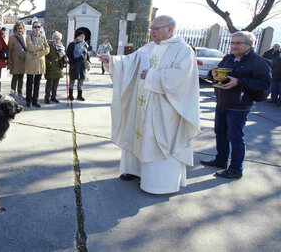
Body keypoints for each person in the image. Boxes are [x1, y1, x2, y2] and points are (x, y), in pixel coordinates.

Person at [101, 15, 200, 194]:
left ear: (170, 29)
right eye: (151, 29)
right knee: (137, 133)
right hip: (141, 103)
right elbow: (130, 62)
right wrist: (112, 61)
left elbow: (183, 78)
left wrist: (154, 76)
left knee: (156, 140)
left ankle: (157, 183)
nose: (152, 32)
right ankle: (134, 170)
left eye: (156, 28)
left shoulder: (183, 50)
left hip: (165, 108)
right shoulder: (149, 47)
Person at [201, 31, 271, 179]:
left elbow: (265, 83)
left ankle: (235, 169)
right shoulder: (228, 58)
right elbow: (214, 73)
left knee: (235, 137)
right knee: (220, 133)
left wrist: (239, 82)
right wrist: (212, 74)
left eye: (238, 43)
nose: (233, 46)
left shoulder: (258, 62)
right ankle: (221, 160)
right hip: (222, 102)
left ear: (249, 45)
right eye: (232, 43)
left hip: (239, 105)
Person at [24, 21, 50, 108]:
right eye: (35, 27)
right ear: (32, 28)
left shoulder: (43, 38)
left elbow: (47, 49)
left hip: (40, 63)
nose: (37, 28)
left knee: (37, 83)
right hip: (31, 62)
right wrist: (41, 47)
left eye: (38, 26)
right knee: (29, 82)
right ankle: (29, 100)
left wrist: (38, 53)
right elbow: (30, 47)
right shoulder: (29, 37)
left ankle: (35, 100)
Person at [44, 31, 67, 103]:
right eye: (55, 38)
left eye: (58, 39)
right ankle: (47, 97)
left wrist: (65, 58)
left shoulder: (62, 47)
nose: (57, 40)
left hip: (58, 68)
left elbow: (63, 56)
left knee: (55, 84)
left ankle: (53, 97)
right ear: (53, 38)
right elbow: (45, 56)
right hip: (50, 67)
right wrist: (49, 63)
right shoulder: (49, 45)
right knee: (49, 84)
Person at [66, 30, 89, 101]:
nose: (82, 37)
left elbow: (87, 55)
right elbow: (68, 54)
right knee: (72, 80)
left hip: (82, 65)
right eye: (81, 36)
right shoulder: (72, 44)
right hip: (74, 64)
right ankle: (70, 95)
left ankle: (79, 95)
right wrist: (71, 62)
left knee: (81, 80)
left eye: (83, 36)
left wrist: (88, 59)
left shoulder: (85, 44)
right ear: (77, 37)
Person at [7, 22, 27, 100]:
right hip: (15, 60)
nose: (20, 30)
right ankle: (12, 92)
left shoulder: (25, 37)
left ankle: (20, 93)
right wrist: (9, 61)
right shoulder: (12, 37)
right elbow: (9, 50)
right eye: (18, 28)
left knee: (21, 78)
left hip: (23, 60)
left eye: (21, 28)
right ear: (15, 29)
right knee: (15, 77)